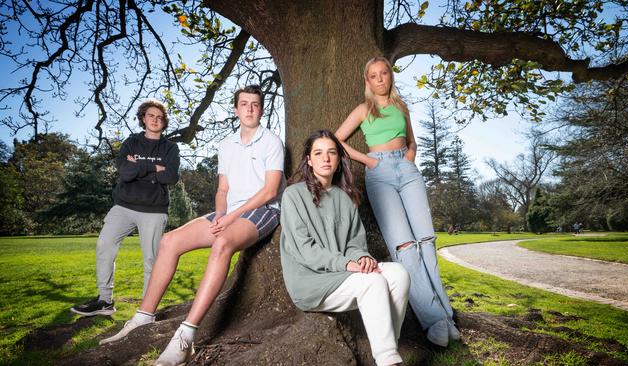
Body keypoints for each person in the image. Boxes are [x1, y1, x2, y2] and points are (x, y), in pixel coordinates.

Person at [99, 85, 285, 366]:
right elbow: (223, 189)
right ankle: (143, 316)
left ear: (261, 109)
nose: (249, 108)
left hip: (263, 210)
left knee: (222, 243)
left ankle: (185, 337)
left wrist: (230, 219)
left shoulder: (271, 141)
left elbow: (270, 191)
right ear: (236, 110)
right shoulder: (226, 144)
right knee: (170, 241)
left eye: (255, 104)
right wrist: (221, 213)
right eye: (244, 103)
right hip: (231, 211)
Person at [335, 56, 460, 347]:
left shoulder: (402, 107)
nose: (380, 79)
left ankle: (446, 315)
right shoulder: (363, 110)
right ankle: (434, 321)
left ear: (390, 77)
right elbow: (336, 139)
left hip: (407, 170)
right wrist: (368, 160)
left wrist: (410, 155)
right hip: (379, 173)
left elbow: (412, 139)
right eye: (374, 76)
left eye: (384, 74)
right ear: (367, 81)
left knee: (426, 242)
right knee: (405, 247)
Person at [280, 130, 410, 366]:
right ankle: (388, 361)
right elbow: (303, 248)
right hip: (311, 281)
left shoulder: (345, 198)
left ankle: (389, 345)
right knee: (372, 282)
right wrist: (346, 264)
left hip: (344, 273)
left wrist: (361, 258)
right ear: (309, 160)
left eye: (331, 152)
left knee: (398, 274)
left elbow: (354, 242)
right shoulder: (293, 195)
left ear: (339, 159)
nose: (326, 158)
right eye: (318, 153)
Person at [71, 99, 180, 317]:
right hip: (124, 206)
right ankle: (105, 301)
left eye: (160, 117)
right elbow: (125, 172)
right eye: (151, 116)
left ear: (163, 121)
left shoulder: (170, 147)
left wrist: (138, 166)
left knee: (151, 259)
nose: (155, 120)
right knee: (104, 244)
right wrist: (153, 167)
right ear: (143, 118)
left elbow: (170, 176)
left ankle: (146, 310)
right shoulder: (131, 143)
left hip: (154, 209)